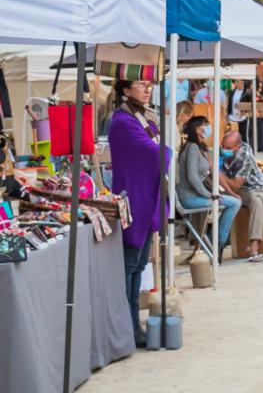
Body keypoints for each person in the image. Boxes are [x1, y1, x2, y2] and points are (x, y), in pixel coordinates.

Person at [108, 79, 168, 348]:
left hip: (145, 198)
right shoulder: (123, 121)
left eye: (148, 85)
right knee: (130, 265)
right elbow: (156, 154)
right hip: (135, 199)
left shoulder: (139, 116)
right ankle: (128, 326)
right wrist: (165, 150)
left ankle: (134, 325)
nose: (147, 89)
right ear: (125, 90)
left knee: (139, 265)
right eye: (141, 85)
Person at [177, 115, 241, 263]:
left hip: (198, 194)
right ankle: (217, 242)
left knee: (233, 201)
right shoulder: (192, 147)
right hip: (190, 197)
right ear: (196, 129)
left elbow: (214, 172)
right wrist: (208, 195)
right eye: (204, 125)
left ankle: (213, 242)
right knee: (234, 203)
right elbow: (193, 177)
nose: (208, 127)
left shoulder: (200, 147)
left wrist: (228, 192)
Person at [221, 130, 263, 262]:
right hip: (231, 189)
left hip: (251, 188)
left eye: (228, 148)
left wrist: (219, 174)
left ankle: (254, 246)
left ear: (238, 147)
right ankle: (211, 243)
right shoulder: (221, 152)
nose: (224, 150)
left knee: (257, 200)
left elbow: (237, 185)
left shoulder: (245, 155)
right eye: (223, 146)